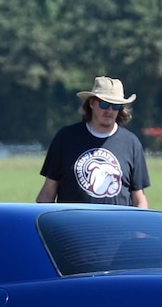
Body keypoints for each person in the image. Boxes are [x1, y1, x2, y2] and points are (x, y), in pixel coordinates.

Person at [36, 76, 151, 208]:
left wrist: (139, 227)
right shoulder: (66, 138)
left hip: (118, 227)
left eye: (115, 106)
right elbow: (48, 193)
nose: (109, 110)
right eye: (104, 104)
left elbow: (139, 199)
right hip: (73, 226)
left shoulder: (131, 143)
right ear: (91, 103)